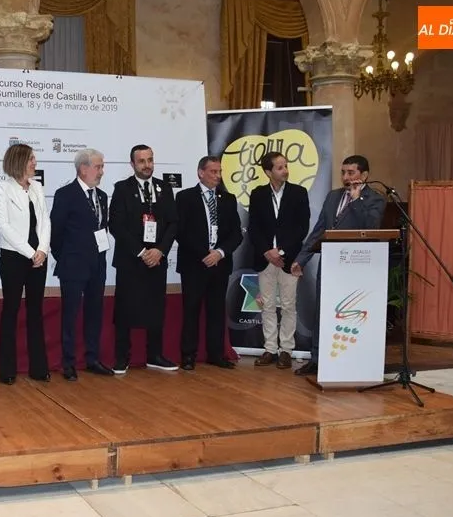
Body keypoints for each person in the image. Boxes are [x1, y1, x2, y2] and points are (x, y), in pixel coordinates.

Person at [291, 154, 387, 376]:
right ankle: (317, 359)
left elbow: (370, 226)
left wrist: (357, 201)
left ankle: (350, 358)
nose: (345, 177)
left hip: (357, 267)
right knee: (322, 311)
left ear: (364, 175)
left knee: (350, 313)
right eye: (343, 172)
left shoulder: (375, 199)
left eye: (351, 172)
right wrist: (301, 259)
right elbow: (320, 230)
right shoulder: (333, 196)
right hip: (331, 263)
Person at [109, 144, 179, 374]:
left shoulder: (164, 188)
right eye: (142, 161)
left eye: (150, 160)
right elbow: (116, 225)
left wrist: (159, 251)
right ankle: (122, 357)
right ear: (132, 164)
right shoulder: (122, 189)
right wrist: (141, 252)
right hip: (131, 260)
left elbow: (172, 223)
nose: (147, 165)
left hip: (157, 259)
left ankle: (154, 355)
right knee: (125, 309)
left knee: (156, 308)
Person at [50, 148, 115, 381]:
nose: (101, 171)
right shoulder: (65, 194)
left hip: (97, 264)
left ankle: (92, 358)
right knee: (70, 315)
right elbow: (55, 232)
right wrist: (65, 257)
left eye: (102, 166)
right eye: (98, 166)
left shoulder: (103, 196)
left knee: (94, 313)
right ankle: (68, 362)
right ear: (83, 168)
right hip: (72, 265)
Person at [175, 156, 242, 371]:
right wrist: (205, 254)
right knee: (191, 310)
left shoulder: (228, 198)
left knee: (216, 310)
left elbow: (236, 234)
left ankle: (216, 354)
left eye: (219, 172)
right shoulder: (185, 198)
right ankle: (188, 355)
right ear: (200, 172)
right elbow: (180, 231)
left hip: (220, 264)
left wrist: (220, 253)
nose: (217, 176)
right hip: (194, 264)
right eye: (213, 171)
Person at [0, 143, 51, 384]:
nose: (34, 163)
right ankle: (7, 369)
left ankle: (38, 368)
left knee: (35, 312)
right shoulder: (3, 188)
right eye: (31, 159)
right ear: (18, 161)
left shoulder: (37, 187)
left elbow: (45, 221)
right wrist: (30, 252)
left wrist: (42, 250)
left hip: (38, 258)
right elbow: (3, 226)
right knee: (11, 311)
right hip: (14, 258)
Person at [248, 152, 310, 370]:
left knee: (288, 306)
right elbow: (253, 228)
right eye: (280, 167)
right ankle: (270, 349)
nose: (285, 170)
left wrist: (280, 252)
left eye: (286, 166)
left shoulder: (299, 193)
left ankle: (286, 350)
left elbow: (303, 227)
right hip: (265, 259)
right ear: (268, 172)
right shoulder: (257, 194)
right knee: (266, 306)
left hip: (289, 259)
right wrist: (267, 251)